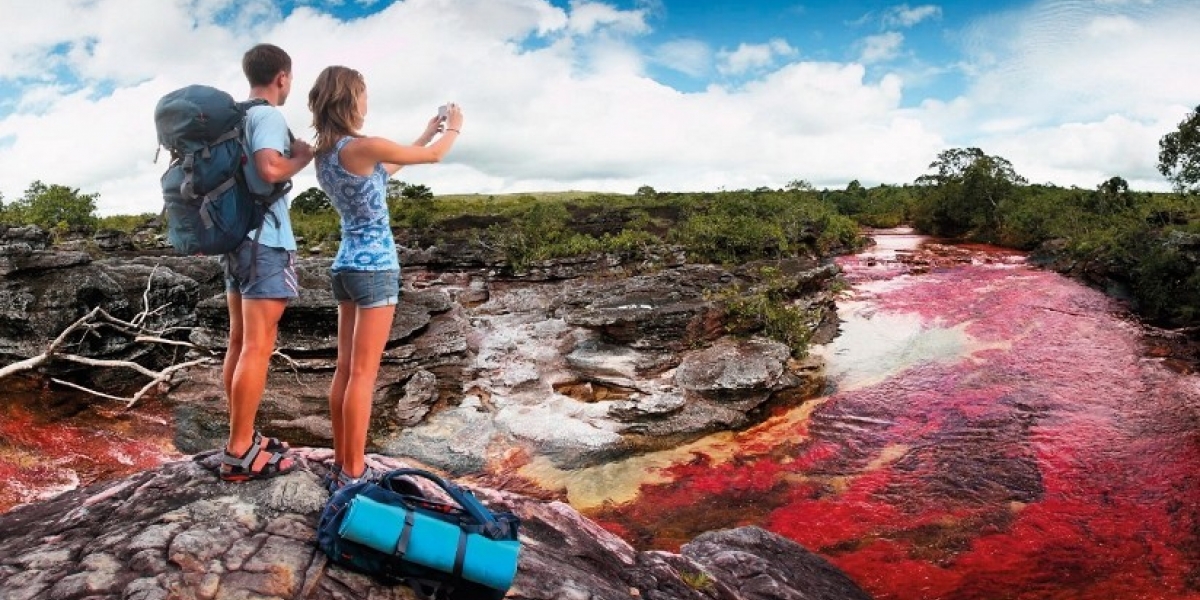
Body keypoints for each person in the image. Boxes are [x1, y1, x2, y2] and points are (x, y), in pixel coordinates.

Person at [307, 65, 463, 488]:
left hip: (345, 267)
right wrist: (454, 130)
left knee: (345, 370)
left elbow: (385, 172)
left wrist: (426, 133)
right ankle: (353, 472)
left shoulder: (327, 154)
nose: (366, 101)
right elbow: (432, 159)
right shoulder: (365, 145)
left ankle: (342, 462)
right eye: (363, 94)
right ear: (349, 100)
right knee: (363, 375)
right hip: (374, 269)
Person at [218, 43, 314, 482]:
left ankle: (244, 436)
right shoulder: (268, 116)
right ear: (282, 77)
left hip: (237, 240)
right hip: (265, 243)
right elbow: (271, 169)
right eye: (289, 79)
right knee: (257, 346)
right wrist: (303, 158)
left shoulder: (234, 116)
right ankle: (240, 451)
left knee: (239, 343)